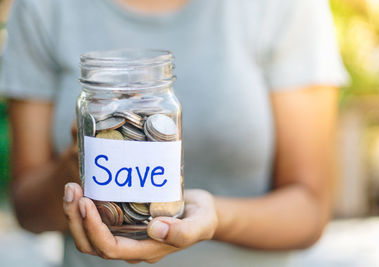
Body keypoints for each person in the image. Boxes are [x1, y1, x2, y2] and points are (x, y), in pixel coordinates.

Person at [0, 0, 348, 266]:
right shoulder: (42, 8)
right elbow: (27, 208)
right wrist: (79, 164)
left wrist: (215, 218)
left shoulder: (283, 7)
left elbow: (310, 209)